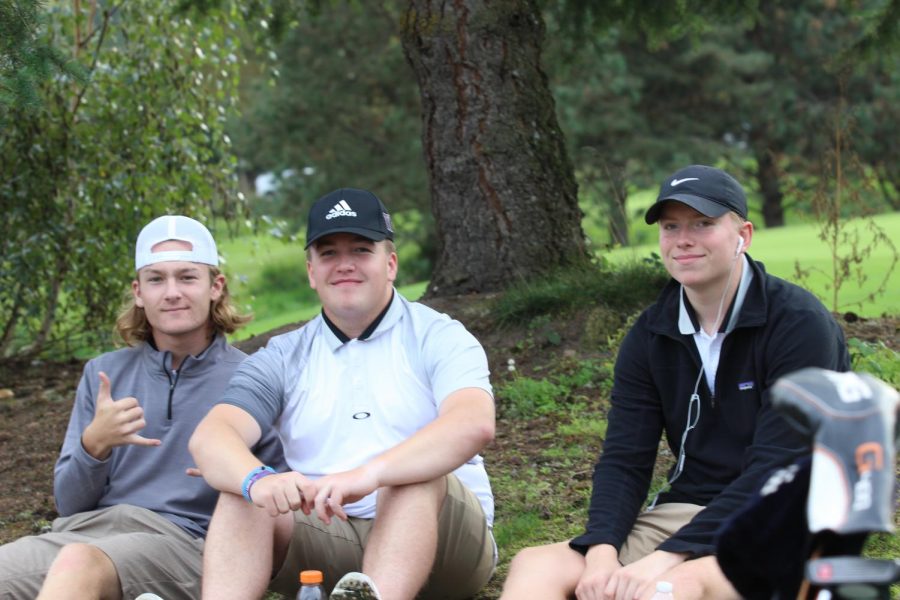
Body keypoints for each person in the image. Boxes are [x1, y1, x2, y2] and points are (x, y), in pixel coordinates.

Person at [500, 165, 850, 600]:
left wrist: (667, 557)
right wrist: (603, 551)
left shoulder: (798, 325)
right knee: (537, 564)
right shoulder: (652, 334)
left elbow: (776, 468)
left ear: (744, 234)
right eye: (671, 226)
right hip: (688, 512)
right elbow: (626, 459)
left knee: (670, 586)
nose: (683, 239)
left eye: (703, 224)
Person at [189, 188, 497, 600]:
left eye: (360, 249)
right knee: (242, 495)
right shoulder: (282, 355)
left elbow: (473, 423)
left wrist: (370, 473)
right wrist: (256, 480)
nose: (345, 265)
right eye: (329, 253)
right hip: (332, 535)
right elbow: (212, 436)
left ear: (390, 264)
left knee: (410, 475)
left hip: (448, 542)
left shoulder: (439, 336)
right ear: (311, 272)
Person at [0, 215, 284, 600]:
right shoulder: (103, 374)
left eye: (187, 277)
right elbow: (69, 503)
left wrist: (234, 469)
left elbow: (279, 504)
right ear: (138, 292)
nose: (171, 292)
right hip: (87, 531)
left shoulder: (254, 377)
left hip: (184, 541)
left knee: (79, 565)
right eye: (156, 279)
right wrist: (93, 445)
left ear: (215, 286)